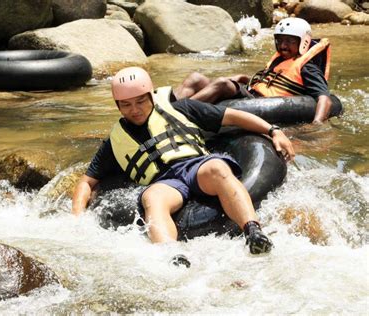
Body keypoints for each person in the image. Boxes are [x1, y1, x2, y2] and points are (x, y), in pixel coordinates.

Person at [72, 66, 295, 265]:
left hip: (195, 166)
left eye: (140, 101)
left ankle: (253, 232)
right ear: (118, 106)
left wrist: (273, 131)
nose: (135, 109)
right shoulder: (115, 141)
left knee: (218, 168)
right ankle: (172, 257)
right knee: (153, 198)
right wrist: (77, 219)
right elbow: (87, 181)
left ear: (150, 96)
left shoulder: (181, 108)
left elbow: (234, 117)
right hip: (164, 182)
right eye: (126, 105)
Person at [173, 17, 332, 124]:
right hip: (252, 93)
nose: (283, 46)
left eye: (289, 41)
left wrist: (316, 125)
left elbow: (324, 98)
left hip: (262, 103)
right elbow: (270, 82)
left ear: (303, 42)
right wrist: (244, 78)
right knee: (196, 78)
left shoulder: (308, 68)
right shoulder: (281, 59)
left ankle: (174, 115)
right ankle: (166, 104)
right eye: (280, 40)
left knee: (222, 84)